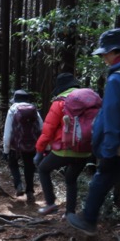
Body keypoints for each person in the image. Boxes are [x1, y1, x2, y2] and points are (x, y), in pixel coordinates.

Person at [67, 28, 120, 235]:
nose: (103, 58)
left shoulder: (118, 78)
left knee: (103, 176)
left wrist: (108, 150)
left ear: (114, 51)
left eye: (104, 54)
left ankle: (89, 220)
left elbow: (112, 117)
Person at [34, 73, 90, 216]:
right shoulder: (88, 101)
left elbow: (48, 130)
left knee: (43, 169)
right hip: (86, 149)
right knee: (71, 178)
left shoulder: (59, 102)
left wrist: (39, 150)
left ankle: (50, 204)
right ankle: (70, 212)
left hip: (65, 150)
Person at [3, 90, 42, 203]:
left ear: (15, 99)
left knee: (13, 164)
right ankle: (29, 191)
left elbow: (8, 131)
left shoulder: (13, 109)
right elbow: (41, 127)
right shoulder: (34, 109)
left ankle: (19, 185)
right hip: (31, 145)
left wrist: (6, 150)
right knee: (29, 167)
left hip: (16, 146)